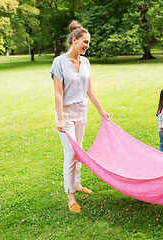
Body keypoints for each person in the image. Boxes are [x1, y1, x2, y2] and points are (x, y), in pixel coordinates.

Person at [50, 21, 110, 213]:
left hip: (81, 112)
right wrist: (60, 119)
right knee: (71, 153)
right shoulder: (59, 62)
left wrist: (101, 111)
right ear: (74, 41)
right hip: (65, 114)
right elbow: (58, 94)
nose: (87, 46)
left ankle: (76, 183)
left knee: (80, 150)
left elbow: (89, 90)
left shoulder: (85, 62)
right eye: (85, 42)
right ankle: (70, 196)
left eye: (89, 43)